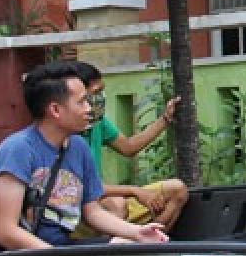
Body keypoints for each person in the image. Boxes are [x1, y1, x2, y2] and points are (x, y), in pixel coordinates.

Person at [0, 62, 169, 255]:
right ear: (55, 110)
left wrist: (136, 233)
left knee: (126, 247)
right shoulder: (17, 150)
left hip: (58, 251)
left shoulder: (78, 147)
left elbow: (93, 212)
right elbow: (5, 232)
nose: (89, 109)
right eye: (82, 102)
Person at [73, 61, 189, 233]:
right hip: (78, 205)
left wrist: (165, 119)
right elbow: (82, 188)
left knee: (177, 190)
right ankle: (110, 254)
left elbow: (128, 147)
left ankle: (149, 244)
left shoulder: (98, 123)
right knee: (117, 205)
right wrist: (133, 191)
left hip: (100, 196)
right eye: (96, 92)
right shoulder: (66, 135)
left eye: (102, 91)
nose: (101, 97)